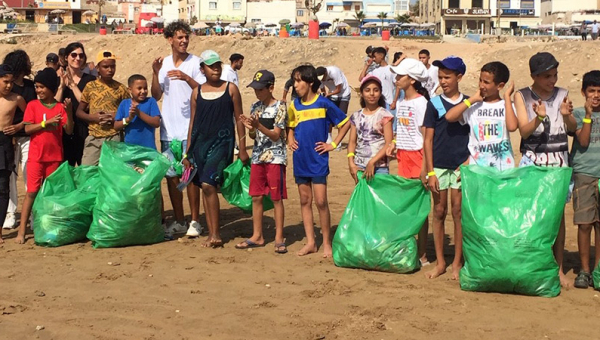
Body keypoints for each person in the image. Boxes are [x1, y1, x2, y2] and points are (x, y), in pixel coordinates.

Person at [514, 52, 576, 288]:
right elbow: (524, 131)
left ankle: (558, 268)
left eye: (554, 75)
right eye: (547, 76)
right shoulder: (522, 96)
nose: (553, 80)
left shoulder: (562, 94)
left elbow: (571, 129)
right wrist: (539, 119)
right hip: (534, 159)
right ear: (534, 76)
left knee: (558, 216)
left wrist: (567, 116)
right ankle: (536, 264)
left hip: (559, 160)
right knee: (533, 214)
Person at [182, 50, 249, 248]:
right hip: (199, 146)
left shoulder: (231, 89)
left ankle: (216, 234)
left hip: (222, 144)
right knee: (204, 185)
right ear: (202, 69)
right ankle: (211, 233)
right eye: (211, 66)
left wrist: (242, 148)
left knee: (209, 184)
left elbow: (240, 119)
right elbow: (193, 123)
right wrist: (187, 152)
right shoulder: (197, 92)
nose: (216, 69)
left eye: (218, 65)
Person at [287, 64, 351, 257]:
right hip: (301, 158)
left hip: (318, 158)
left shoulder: (323, 103)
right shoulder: (294, 105)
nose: (295, 85)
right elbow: (290, 125)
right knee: (305, 200)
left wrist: (333, 144)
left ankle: (326, 243)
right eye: (294, 81)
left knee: (321, 201)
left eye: (298, 81)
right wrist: (290, 138)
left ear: (310, 82)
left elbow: (345, 123)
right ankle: (310, 242)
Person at [152, 20, 206, 238]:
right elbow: (157, 94)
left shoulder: (195, 62)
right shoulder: (163, 63)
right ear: (170, 39)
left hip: (188, 130)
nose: (184, 41)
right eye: (180, 37)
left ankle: (195, 221)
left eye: (186, 37)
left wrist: (186, 78)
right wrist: (154, 72)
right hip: (168, 130)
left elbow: (203, 90)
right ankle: (180, 220)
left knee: (190, 177)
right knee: (172, 177)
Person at [423, 56, 470, 280]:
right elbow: (428, 140)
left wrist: (469, 160)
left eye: (447, 77)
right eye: (440, 77)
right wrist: (430, 171)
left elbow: (475, 136)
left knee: (458, 213)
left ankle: (457, 262)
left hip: (462, 166)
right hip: (439, 166)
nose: (443, 81)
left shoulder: (470, 102)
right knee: (439, 212)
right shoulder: (433, 104)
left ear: (459, 77)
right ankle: (441, 262)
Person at [15, 68, 73, 244]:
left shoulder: (59, 107)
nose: (38, 90)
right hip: (36, 157)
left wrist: (68, 111)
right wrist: (44, 123)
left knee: (51, 195)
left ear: (51, 88)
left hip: (54, 157)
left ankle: (49, 227)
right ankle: (22, 231)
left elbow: (68, 129)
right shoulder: (32, 105)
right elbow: (27, 129)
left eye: (42, 87)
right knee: (31, 192)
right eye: (37, 87)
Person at [235, 70, 288, 253]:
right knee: (256, 196)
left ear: (270, 88)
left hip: (275, 157)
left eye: (260, 89)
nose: (257, 92)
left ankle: (279, 237)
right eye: (255, 89)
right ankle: (257, 235)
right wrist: (250, 128)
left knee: (276, 197)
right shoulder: (255, 107)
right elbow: (254, 136)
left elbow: (275, 135)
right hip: (258, 156)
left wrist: (258, 126)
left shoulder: (280, 107)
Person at [386, 58, 431, 265]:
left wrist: (425, 168)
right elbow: (403, 130)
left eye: (401, 75)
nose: (396, 79)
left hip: (417, 157)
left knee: (419, 208)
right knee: (408, 206)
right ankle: (410, 248)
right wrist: (394, 143)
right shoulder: (403, 102)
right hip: (404, 156)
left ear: (412, 80)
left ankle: (422, 253)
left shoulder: (421, 103)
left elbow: (425, 137)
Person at [445, 61, 518, 170]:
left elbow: (512, 127)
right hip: (477, 168)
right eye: (480, 80)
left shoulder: (507, 106)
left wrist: (507, 97)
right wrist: (472, 99)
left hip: (503, 168)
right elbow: (449, 117)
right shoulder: (473, 107)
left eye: (486, 82)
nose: (481, 85)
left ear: (500, 85)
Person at [570, 70, 600, 289]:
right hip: (584, 173)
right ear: (583, 92)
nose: (596, 95)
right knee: (584, 224)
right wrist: (589, 114)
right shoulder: (579, 114)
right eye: (592, 91)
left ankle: (597, 270)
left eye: (599, 91)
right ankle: (584, 270)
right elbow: (582, 140)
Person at [76, 50, 130, 166]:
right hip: (94, 138)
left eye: (112, 66)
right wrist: (93, 117)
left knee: (111, 173)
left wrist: (116, 116)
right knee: (87, 171)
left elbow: (130, 112)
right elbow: (79, 112)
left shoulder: (121, 89)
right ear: (97, 68)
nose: (110, 70)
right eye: (105, 67)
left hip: (114, 137)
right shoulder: (90, 87)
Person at [2, 50, 36, 230]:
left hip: (27, 135)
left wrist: (19, 127)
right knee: (10, 177)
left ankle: (31, 213)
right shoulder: (7, 87)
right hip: (10, 138)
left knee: (29, 174)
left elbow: (31, 113)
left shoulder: (30, 87)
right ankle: (10, 212)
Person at [56, 42, 97, 166]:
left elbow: (89, 105)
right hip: (63, 130)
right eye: (74, 55)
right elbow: (53, 105)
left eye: (81, 55)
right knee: (65, 171)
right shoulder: (57, 77)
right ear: (66, 57)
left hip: (83, 129)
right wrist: (62, 87)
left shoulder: (90, 80)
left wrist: (73, 86)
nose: (77, 58)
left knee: (84, 170)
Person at [347, 75, 393, 183]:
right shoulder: (356, 116)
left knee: (379, 199)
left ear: (380, 93)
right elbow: (352, 142)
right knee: (363, 199)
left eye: (376, 90)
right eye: (367, 90)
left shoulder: (385, 115)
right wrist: (351, 163)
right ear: (362, 93)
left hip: (380, 167)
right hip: (359, 166)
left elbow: (388, 143)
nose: (372, 94)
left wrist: (372, 162)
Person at [0, 65, 26, 243]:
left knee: (3, 188)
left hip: (4, 142)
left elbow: (31, 116)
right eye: (5, 82)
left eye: (10, 82)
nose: (8, 86)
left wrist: (17, 127)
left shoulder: (16, 99)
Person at [114, 74, 161, 149]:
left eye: (145, 88)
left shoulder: (151, 101)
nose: (143, 91)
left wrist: (139, 113)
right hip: (130, 150)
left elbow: (156, 122)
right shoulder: (124, 103)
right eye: (139, 88)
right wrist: (128, 119)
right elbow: (116, 126)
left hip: (148, 149)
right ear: (130, 90)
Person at [359, 47, 394, 112]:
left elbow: (397, 86)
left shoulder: (391, 69)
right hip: (378, 102)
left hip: (389, 103)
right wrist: (367, 65)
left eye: (374, 56)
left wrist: (394, 101)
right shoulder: (374, 70)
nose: (373, 59)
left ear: (381, 56)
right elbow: (361, 79)